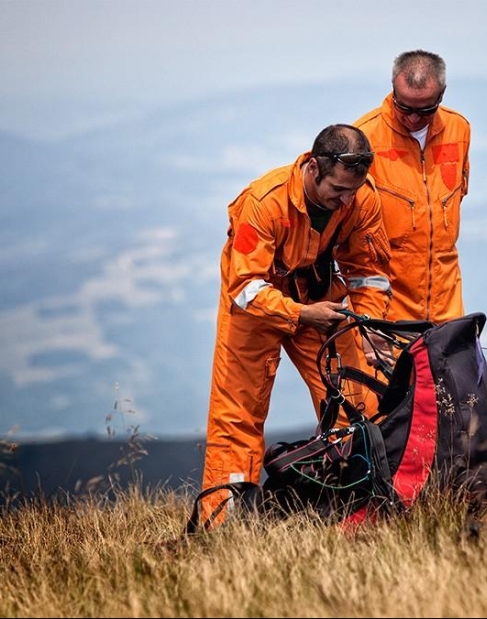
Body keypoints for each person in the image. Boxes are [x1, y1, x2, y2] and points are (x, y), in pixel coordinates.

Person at [201, 124, 392, 526]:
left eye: (352, 191)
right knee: (237, 417)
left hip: (318, 298)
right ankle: (223, 525)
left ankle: (355, 510)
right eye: (337, 190)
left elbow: (368, 274)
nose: (344, 201)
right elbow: (244, 287)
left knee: (355, 401)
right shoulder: (264, 202)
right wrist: (302, 315)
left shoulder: (361, 199)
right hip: (254, 308)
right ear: (314, 167)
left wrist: (372, 327)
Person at [354, 50, 470, 323]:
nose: (413, 119)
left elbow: (456, 198)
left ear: (441, 95)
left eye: (425, 110)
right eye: (404, 107)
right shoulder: (363, 137)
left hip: (447, 305)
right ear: (393, 89)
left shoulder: (459, 129)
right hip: (386, 306)